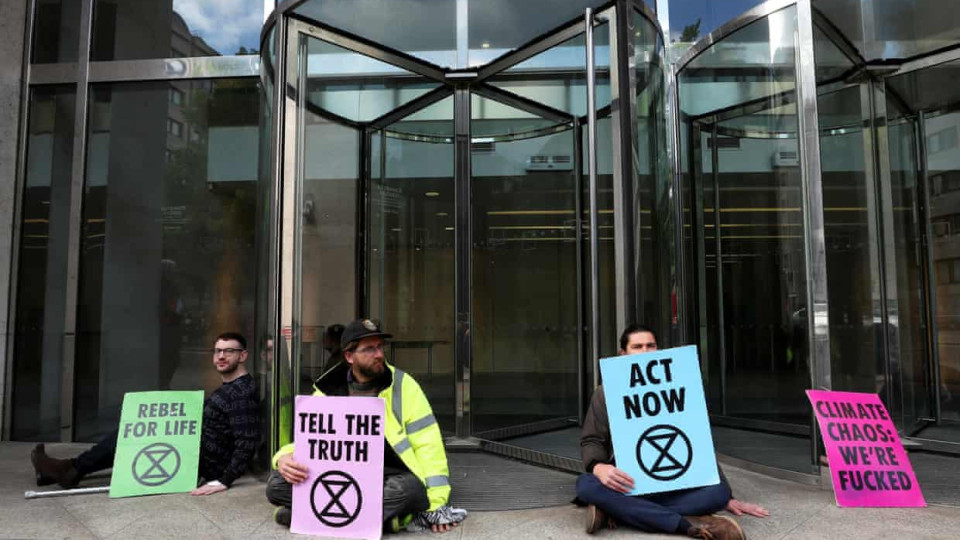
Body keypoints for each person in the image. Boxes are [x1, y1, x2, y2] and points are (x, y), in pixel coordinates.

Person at [265, 319, 466, 533]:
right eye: (369, 349)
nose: (379, 354)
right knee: (275, 485)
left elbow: (428, 444)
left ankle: (314, 514)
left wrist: (436, 504)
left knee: (411, 489)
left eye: (380, 347)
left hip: (389, 475)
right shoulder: (328, 389)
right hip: (339, 474)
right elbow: (310, 441)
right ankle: (385, 521)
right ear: (349, 356)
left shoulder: (403, 385)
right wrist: (283, 459)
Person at [577, 324, 769, 539]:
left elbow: (698, 439)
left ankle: (615, 510)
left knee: (718, 493)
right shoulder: (605, 393)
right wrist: (599, 466)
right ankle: (685, 523)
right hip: (628, 481)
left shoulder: (683, 385)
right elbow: (592, 439)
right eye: (637, 346)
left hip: (674, 481)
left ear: (658, 349)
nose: (644, 352)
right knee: (585, 485)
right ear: (623, 353)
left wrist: (728, 496)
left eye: (650, 346)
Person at [31, 332, 261, 496]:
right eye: (218, 351)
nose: (221, 356)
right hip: (195, 447)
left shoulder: (240, 393)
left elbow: (247, 441)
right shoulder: (232, 387)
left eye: (229, 351)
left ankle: (69, 470)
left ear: (243, 356)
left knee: (133, 434)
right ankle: (64, 471)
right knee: (137, 429)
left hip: (205, 461)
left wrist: (224, 480)